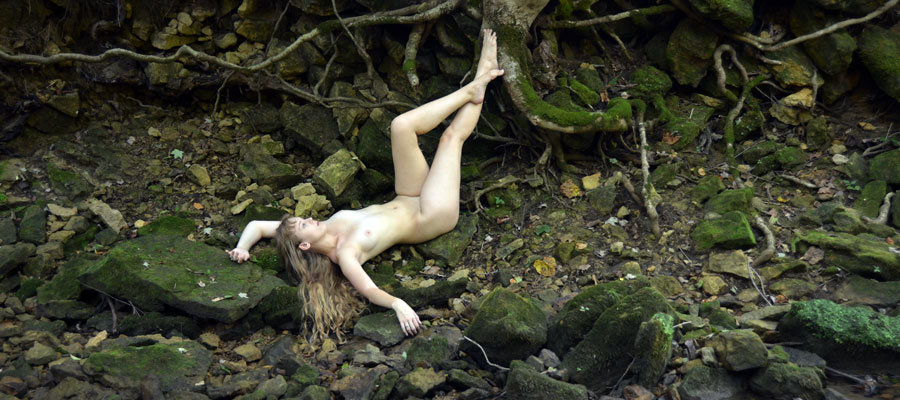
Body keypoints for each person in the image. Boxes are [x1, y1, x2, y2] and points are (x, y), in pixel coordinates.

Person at [227, 29, 503, 342]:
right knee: (450, 139)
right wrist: (399, 305)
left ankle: (473, 89)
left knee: (401, 127)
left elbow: (257, 226)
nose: (310, 218)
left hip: (408, 194)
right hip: (430, 215)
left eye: (303, 218)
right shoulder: (345, 254)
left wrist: (242, 248)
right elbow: (370, 290)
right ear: (304, 245)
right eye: (304, 224)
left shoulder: (324, 226)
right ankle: (480, 80)